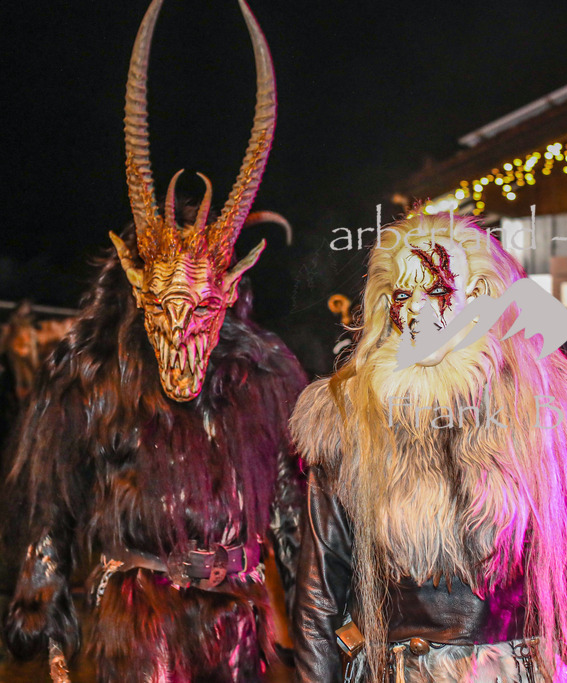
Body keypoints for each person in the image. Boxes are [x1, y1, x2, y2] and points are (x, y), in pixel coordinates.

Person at [1, 1, 306, 679]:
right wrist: (46, 617)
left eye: (199, 308)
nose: (181, 326)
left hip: (237, 623)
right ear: (139, 292)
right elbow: (51, 504)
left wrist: (304, 620)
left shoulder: (266, 380)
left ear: (227, 295)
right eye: (164, 305)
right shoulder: (93, 374)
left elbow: (291, 511)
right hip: (134, 632)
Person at [289, 214, 567, 682]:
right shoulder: (347, 420)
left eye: (437, 292)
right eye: (403, 296)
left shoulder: (551, 412)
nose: (416, 313)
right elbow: (320, 594)